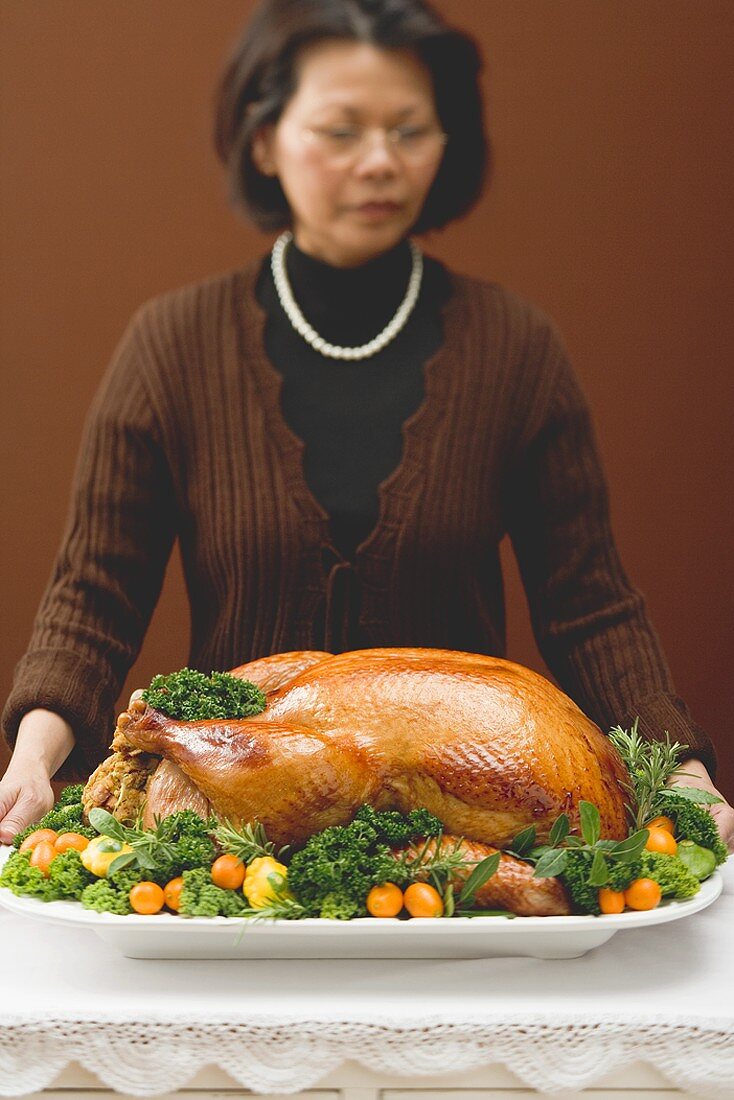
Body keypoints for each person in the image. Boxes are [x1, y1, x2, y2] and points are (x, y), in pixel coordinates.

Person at [1, 0, 732, 849]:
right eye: (341, 131)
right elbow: (94, 598)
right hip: (233, 835)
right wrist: (31, 756)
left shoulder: (515, 349)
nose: (381, 162)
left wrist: (680, 769)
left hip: (462, 847)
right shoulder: (171, 347)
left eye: (410, 131)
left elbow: (589, 605)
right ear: (265, 140)